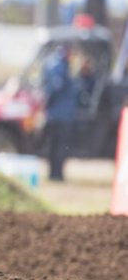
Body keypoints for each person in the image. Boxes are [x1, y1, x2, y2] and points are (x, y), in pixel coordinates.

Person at [41, 45, 79, 181]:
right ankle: (56, 174)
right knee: (59, 146)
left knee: (54, 145)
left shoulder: (57, 64)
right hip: (61, 115)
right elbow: (55, 88)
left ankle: (55, 173)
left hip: (55, 114)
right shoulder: (59, 66)